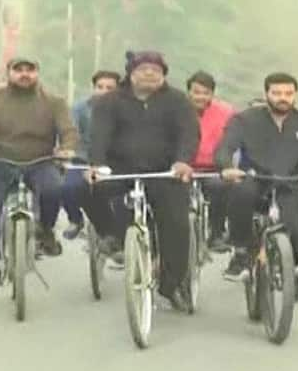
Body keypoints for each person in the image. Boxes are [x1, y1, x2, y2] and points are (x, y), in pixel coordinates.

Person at [82, 50, 199, 311]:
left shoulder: (178, 101)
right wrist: (97, 165)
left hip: (165, 172)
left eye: (156, 70)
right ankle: (111, 236)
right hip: (120, 170)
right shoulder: (109, 102)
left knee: (178, 226)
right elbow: (98, 136)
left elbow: (189, 134)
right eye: (143, 69)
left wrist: (183, 161)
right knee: (86, 189)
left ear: (163, 75)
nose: (149, 74)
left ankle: (171, 285)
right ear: (131, 74)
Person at [215, 72, 298, 302]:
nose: (283, 98)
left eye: (288, 93)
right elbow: (225, 147)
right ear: (266, 94)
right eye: (277, 93)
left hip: (288, 181)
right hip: (254, 177)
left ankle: (292, 271)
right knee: (241, 194)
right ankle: (240, 253)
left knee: (293, 227)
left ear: (295, 95)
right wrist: (227, 166)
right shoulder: (245, 119)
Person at [0, 57, 78, 286]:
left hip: (40, 161)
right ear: (8, 73)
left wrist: (67, 148)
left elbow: (68, 130)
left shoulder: (54, 101)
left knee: (54, 189)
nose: (25, 74)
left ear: (37, 73)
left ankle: (45, 231)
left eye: (30, 70)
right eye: (18, 70)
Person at [60, 70, 120, 240]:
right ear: (93, 88)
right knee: (69, 188)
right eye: (100, 87)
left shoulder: (125, 108)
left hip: (114, 162)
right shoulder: (80, 108)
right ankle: (75, 219)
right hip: (84, 159)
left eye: (110, 88)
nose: (104, 91)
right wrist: (67, 149)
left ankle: (117, 236)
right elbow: (71, 132)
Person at [187, 70, 234, 252]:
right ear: (189, 92)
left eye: (205, 93)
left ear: (212, 94)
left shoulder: (226, 112)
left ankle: (216, 233)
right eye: (196, 92)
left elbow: (231, 140)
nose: (200, 97)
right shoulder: (178, 109)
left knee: (219, 187)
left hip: (213, 167)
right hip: (184, 166)